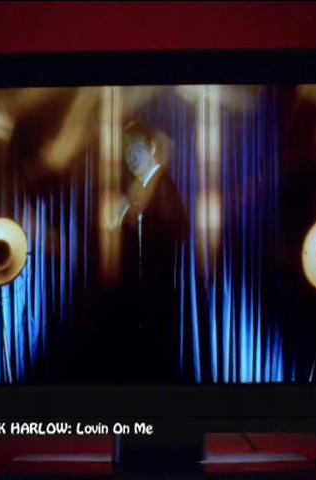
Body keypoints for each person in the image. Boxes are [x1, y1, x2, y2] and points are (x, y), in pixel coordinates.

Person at [104, 120, 189, 382]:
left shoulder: (162, 187)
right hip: (138, 300)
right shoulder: (139, 189)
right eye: (127, 152)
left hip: (154, 300)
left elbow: (174, 234)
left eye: (137, 149)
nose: (131, 158)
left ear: (152, 148)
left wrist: (133, 216)